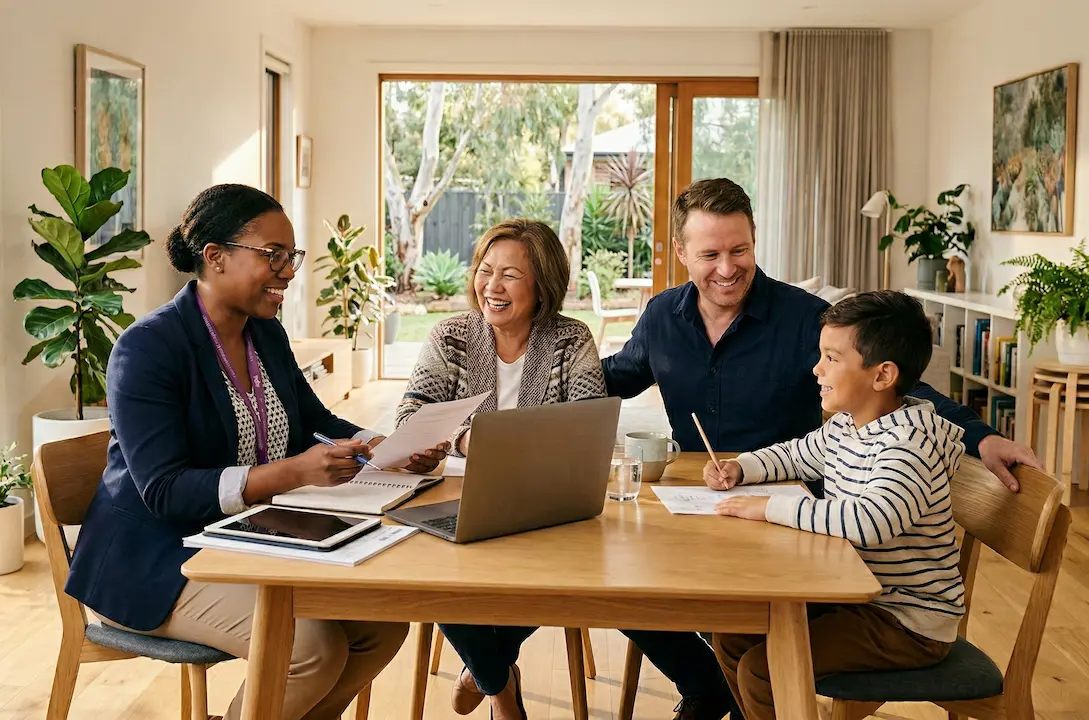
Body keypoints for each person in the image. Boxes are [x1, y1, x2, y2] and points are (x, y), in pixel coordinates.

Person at [601, 178, 1040, 720]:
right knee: (625, 584)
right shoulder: (663, 316)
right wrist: (531, 392)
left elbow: (900, 391)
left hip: (804, 528)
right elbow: (615, 376)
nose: (727, 267)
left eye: (739, 250)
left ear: (755, 241)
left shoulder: (808, 320)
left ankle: (744, 695)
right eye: (710, 253)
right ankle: (710, 686)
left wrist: (981, 434)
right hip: (712, 499)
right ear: (681, 254)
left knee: (743, 633)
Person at [65, 184, 447, 720]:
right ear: (215, 258)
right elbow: (165, 490)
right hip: (159, 559)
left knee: (380, 624)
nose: (288, 270)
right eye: (273, 255)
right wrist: (289, 474)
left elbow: (314, 423)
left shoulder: (264, 334)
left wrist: (385, 448)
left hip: (249, 539)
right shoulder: (148, 348)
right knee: (310, 649)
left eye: (291, 256)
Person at [708, 291, 966, 720]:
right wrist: (741, 467)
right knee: (733, 633)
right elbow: (796, 455)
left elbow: (870, 522)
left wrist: (767, 507)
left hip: (906, 620)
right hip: (859, 595)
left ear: (882, 375)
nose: (817, 368)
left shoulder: (908, 444)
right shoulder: (848, 425)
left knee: (764, 671)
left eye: (832, 358)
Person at [394, 218, 606, 719]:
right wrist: (463, 441)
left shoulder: (571, 339)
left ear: (543, 285)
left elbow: (588, 427)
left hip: (545, 507)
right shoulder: (451, 336)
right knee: (432, 571)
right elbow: (409, 417)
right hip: (460, 499)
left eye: (510, 275)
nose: (492, 286)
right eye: (485, 271)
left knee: (566, 574)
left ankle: (485, 669)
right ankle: (501, 688)